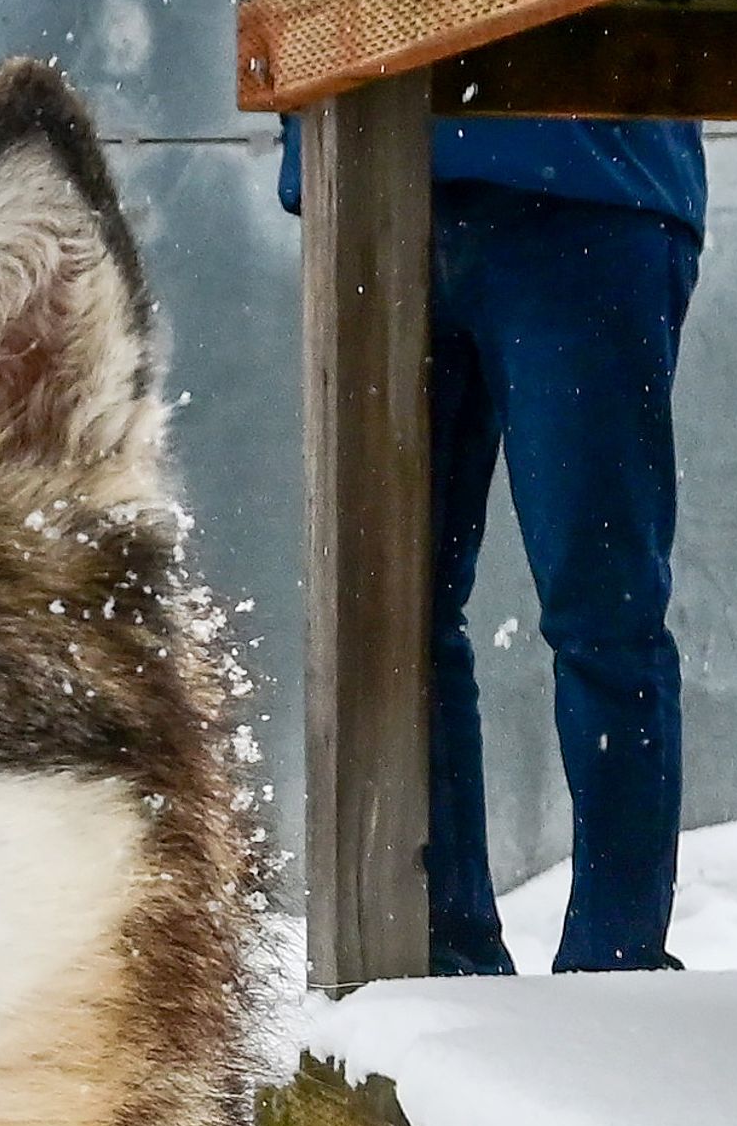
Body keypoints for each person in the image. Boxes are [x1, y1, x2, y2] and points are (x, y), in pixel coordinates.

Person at [282, 112, 704, 976]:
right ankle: (444, 956)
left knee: (603, 610)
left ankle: (613, 969)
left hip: (585, 179)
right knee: (397, 614)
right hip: (381, 176)